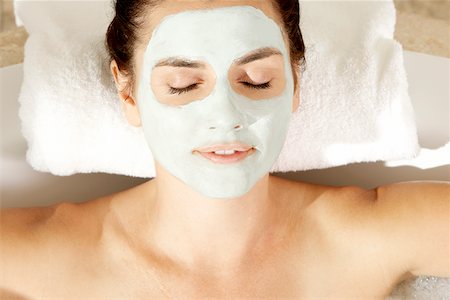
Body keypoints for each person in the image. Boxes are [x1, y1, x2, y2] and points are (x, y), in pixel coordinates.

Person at [1, 0, 449, 298]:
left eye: (257, 81)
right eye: (183, 85)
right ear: (128, 93)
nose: (225, 116)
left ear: (294, 84)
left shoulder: (369, 235)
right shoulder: (36, 256)